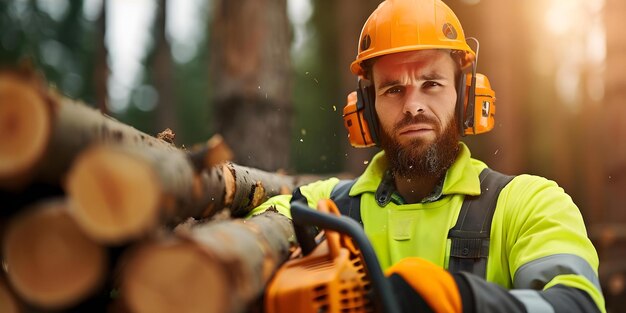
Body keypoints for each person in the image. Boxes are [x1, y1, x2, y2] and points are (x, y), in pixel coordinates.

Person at [250, 0, 605, 312]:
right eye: (393, 89)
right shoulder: (326, 204)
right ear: (366, 110)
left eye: (432, 83)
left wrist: (460, 299)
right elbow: (260, 227)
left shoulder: (529, 204)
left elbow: (578, 304)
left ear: (464, 96)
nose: (413, 105)